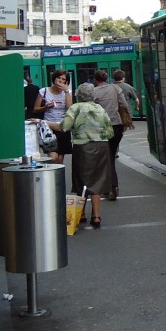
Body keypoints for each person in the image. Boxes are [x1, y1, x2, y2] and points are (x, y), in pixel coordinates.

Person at [53, 83, 113, 228]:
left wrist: (44, 122)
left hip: (83, 147)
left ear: (78, 95)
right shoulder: (100, 108)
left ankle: (81, 214)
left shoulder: (75, 108)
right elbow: (110, 131)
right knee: (97, 180)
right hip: (102, 147)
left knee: (81, 180)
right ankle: (97, 216)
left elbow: (63, 127)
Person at [91, 69, 126, 200]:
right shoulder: (116, 88)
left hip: (101, 128)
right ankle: (112, 186)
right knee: (110, 156)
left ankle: (111, 186)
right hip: (117, 126)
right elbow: (125, 104)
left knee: (105, 159)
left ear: (96, 80)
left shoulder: (94, 92)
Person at [35, 69, 73, 161]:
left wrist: (66, 91)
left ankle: (58, 176)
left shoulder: (68, 92)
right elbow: (35, 109)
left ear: (66, 82)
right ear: (54, 78)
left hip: (62, 127)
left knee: (60, 159)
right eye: (58, 78)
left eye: (63, 79)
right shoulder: (44, 91)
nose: (60, 80)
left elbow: (69, 109)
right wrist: (46, 107)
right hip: (49, 128)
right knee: (53, 158)